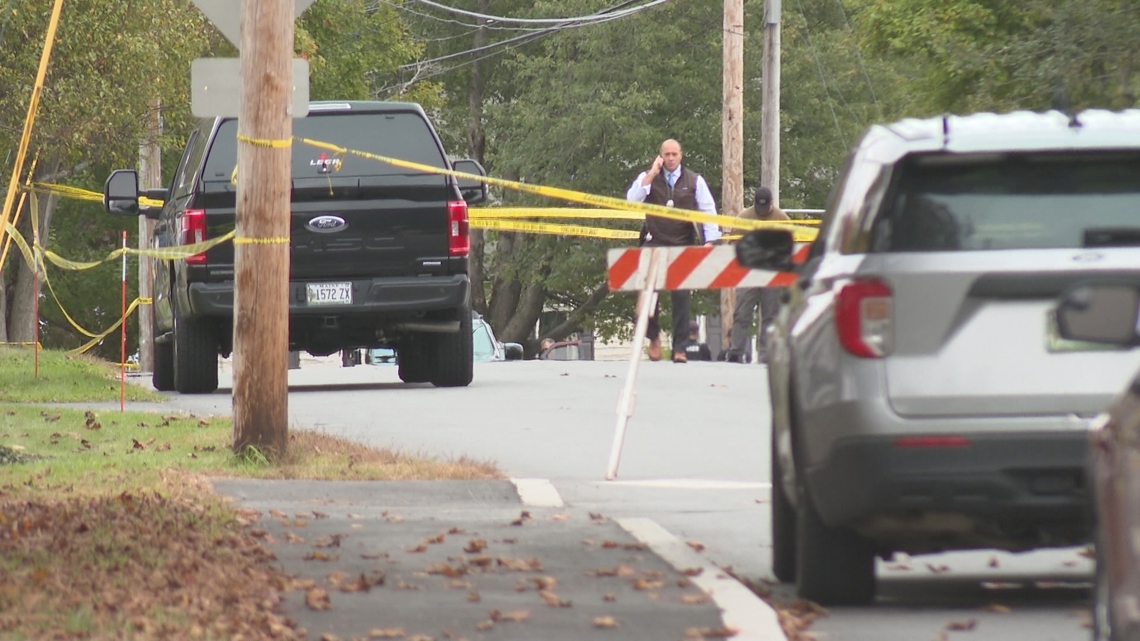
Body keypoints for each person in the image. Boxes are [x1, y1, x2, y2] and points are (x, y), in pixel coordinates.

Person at [626, 139, 720, 363]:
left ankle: (680, 348)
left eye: (674, 154)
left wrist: (710, 241)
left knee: (681, 297)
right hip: (655, 240)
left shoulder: (695, 180)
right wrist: (651, 174)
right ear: (660, 156)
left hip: (681, 242)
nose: (670, 158)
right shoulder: (648, 178)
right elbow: (632, 200)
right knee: (647, 292)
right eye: (666, 154)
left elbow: (708, 210)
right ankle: (653, 336)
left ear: (681, 155)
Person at [726, 187, 790, 364]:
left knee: (771, 314)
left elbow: (792, 245)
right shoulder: (744, 217)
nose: (762, 212)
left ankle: (766, 354)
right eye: (759, 208)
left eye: (765, 208)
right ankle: (736, 351)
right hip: (748, 272)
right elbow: (733, 244)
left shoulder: (782, 219)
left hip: (772, 273)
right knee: (742, 312)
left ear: (771, 203)